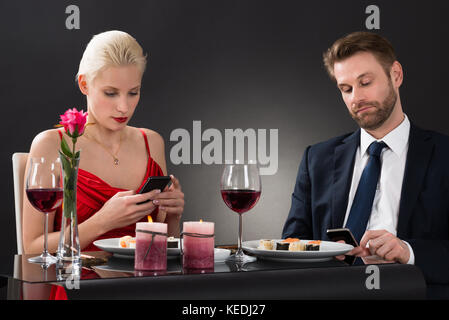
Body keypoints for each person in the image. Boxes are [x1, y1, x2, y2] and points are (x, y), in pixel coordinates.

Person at [282, 31, 449, 285]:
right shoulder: (316, 159)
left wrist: (409, 252)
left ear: (396, 75)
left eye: (366, 82)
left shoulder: (443, 154)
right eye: (346, 89)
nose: (356, 98)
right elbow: (291, 246)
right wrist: (326, 254)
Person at [23, 30, 185, 254]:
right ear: (84, 84)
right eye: (111, 93)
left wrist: (173, 216)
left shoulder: (152, 142)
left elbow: (162, 246)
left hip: (143, 281)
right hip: (76, 281)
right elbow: (32, 249)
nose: (124, 107)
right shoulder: (51, 144)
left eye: (133, 92)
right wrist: (102, 222)